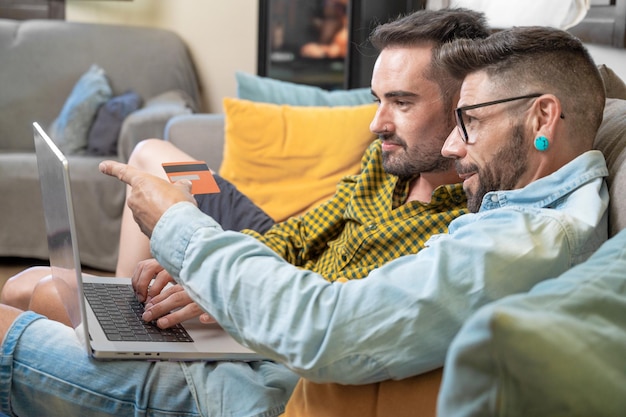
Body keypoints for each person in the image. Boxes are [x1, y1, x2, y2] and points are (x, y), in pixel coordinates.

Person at [0, 9, 493, 417]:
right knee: (154, 154)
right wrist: (216, 261)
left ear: (464, 109)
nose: (375, 123)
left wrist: (222, 281)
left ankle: (134, 331)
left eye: (401, 102)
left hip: (280, 295)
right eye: (377, 100)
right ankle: (138, 308)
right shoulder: (387, 163)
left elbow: (335, 315)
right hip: (264, 236)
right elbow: (302, 232)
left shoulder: (461, 227)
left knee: (36, 290)